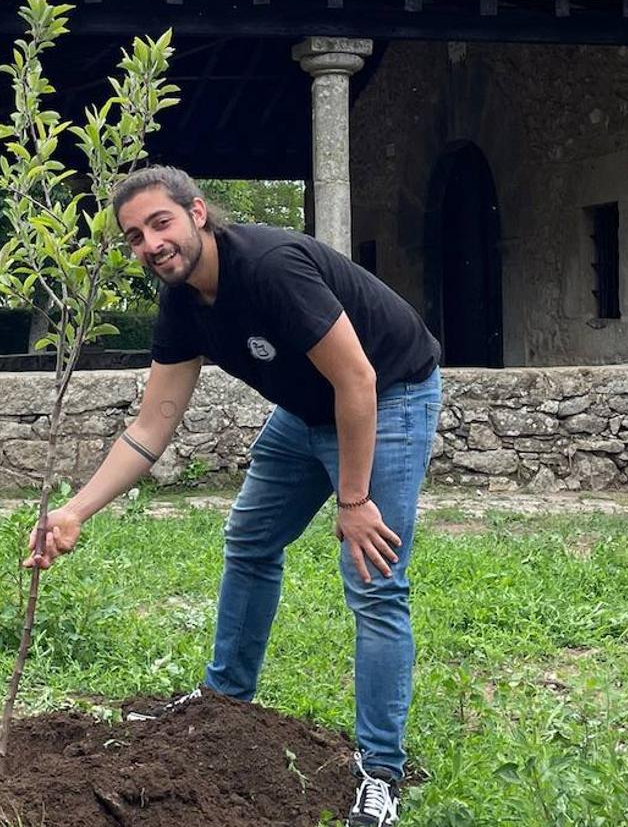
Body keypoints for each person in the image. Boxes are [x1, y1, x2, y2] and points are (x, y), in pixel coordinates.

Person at [28, 166, 442, 826]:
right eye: (134, 236)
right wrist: (75, 509)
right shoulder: (184, 303)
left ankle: (380, 771)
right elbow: (152, 424)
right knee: (250, 542)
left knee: (374, 579)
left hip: (386, 397)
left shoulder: (271, 268)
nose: (150, 244)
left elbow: (358, 379)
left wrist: (355, 500)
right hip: (305, 412)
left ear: (197, 212)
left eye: (159, 223)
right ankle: (223, 705)